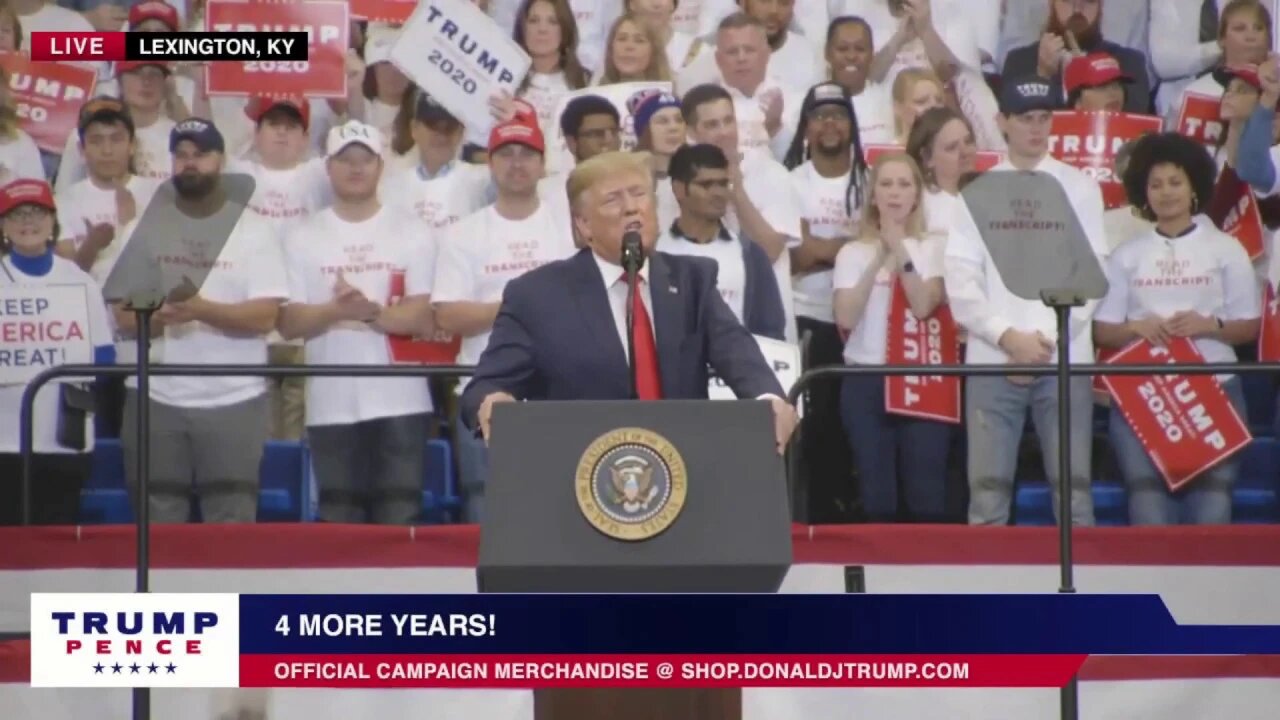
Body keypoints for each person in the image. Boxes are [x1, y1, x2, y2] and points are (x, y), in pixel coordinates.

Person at [459, 150, 798, 452]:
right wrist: (493, 402)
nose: (632, 207)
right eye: (612, 200)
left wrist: (768, 400)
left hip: (681, 469)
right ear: (584, 224)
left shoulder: (692, 281)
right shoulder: (538, 295)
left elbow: (738, 354)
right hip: (579, 475)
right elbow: (486, 385)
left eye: (639, 194)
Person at [943, 76, 1108, 527]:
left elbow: (1092, 278)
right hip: (993, 358)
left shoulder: (1079, 187)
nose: (1036, 128)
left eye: (1043, 118)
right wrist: (1007, 338)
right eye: (1025, 119)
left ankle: (1082, 596)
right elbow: (961, 279)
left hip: (1064, 358)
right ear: (1002, 122)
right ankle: (983, 597)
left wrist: (1044, 344)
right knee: (986, 494)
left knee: (1074, 494)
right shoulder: (976, 193)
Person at [118, 119, 288, 524]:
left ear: (221, 161)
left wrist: (200, 309)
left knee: (231, 523)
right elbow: (125, 316)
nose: (190, 164)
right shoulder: (144, 228)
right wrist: (161, 315)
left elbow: (266, 314)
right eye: (182, 155)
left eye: (201, 154)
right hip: (154, 396)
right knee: (155, 525)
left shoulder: (254, 230)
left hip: (234, 397)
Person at [1095, 132, 1260, 525]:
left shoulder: (1225, 248)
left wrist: (1210, 326)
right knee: (1148, 508)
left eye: (1175, 182)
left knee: (1212, 509)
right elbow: (1103, 332)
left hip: (1215, 389)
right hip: (1145, 394)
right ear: (1143, 192)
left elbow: (1249, 327)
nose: (1166, 193)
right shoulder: (1127, 256)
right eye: (1155, 184)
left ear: (1193, 188)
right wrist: (1138, 328)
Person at [278, 120, 437, 525]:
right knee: (338, 517)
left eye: (365, 159)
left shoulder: (413, 231)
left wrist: (370, 313)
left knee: (400, 515)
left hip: (402, 399)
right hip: (330, 401)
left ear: (380, 167)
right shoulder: (301, 236)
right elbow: (289, 321)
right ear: (328, 168)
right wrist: (336, 311)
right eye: (345, 160)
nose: (356, 168)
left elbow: (422, 315)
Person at [433, 109, 577, 521]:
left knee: (560, 510)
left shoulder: (568, 230)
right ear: (490, 162)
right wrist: (520, 307)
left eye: (527, 153)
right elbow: (448, 316)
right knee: (486, 510)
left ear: (542, 162)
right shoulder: (463, 233)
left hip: (557, 393)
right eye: (507, 153)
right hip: (482, 389)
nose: (517, 163)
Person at [833, 152, 950, 522]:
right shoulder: (852, 252)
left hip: (923, 378)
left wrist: (900, 247)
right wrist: (880, 251)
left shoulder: (935, 248)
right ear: (872, 195)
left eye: (904, 184)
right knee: (876, 494)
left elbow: (922, 305)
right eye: (886, 184)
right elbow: (846, 315)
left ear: (917, 194)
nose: (895, 193)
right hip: (866, 380)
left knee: (926, 494)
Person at [0, 179, 115, 526]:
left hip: (63, 440)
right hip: (4, 441)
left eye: (37, 212)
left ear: (53, 223)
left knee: (55, 545)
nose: (28, 222)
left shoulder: (81, 282)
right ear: (3, 226)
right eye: (17, 214)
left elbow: (104, 360)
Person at [658, 142, 786, 338]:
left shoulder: (750, 255)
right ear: (679, 189)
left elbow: (770, 331)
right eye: (706, 185)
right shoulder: (655, 252)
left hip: (737, 366)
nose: (718, 193)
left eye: (723, 183)